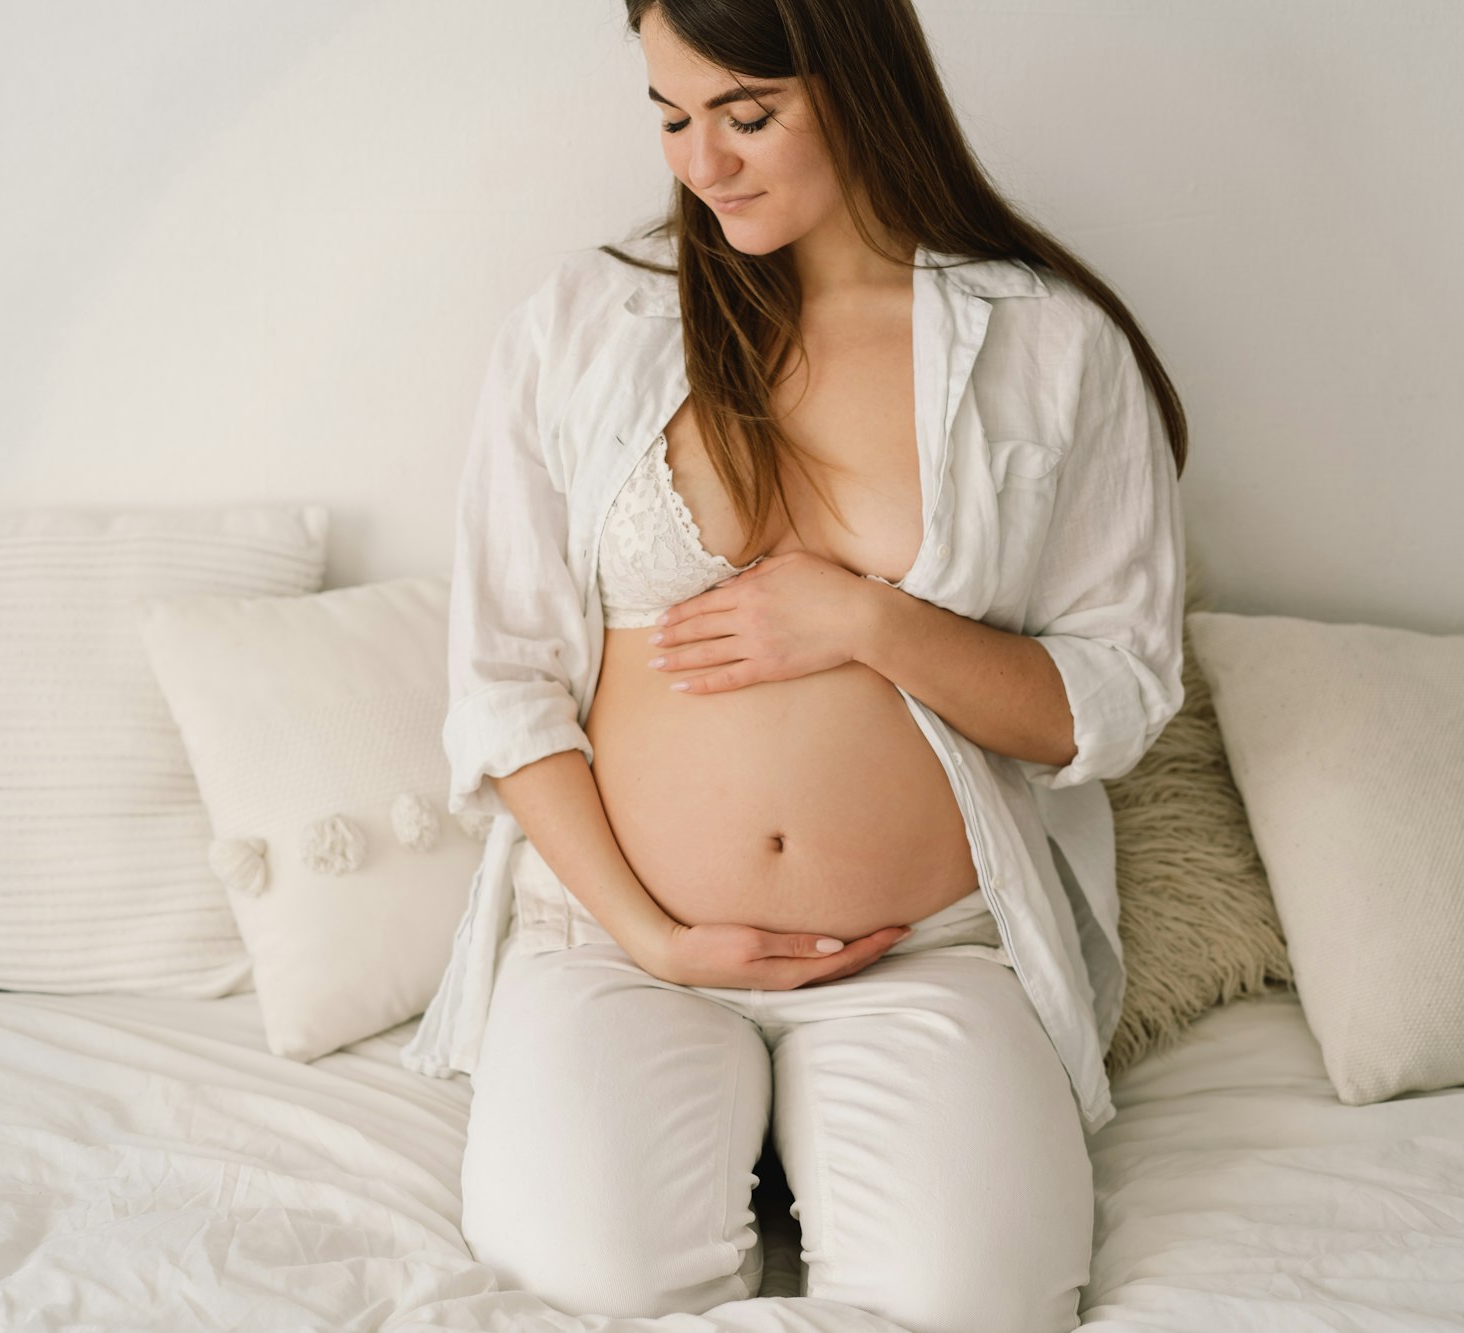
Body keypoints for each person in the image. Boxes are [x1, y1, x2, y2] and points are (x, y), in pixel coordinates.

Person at [399, 1, 1189, 1326]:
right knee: (591, 1286)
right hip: (619, 942)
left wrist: (868, 622)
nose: (702, 165)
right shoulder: (591, 320)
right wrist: (655, 934)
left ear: (862, 86)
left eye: (746, 114)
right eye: (670, 119)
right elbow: (503, 682)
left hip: (920, 951)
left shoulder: (1048, 345)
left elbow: (1108, 702)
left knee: (978, 1302)